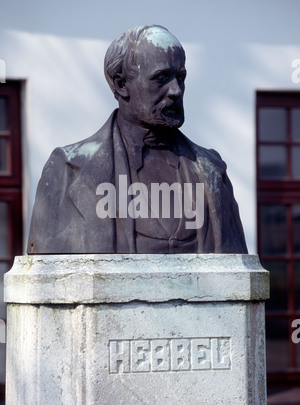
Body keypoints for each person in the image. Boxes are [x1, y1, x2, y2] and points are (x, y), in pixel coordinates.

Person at [27, 25, 248, 254]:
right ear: (121, 84)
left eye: (180, 77)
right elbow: (45, 280)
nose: (176, 91)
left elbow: (240, 277)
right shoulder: (68, 169)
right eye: (161, 78)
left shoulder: (212, 170)